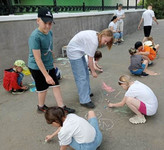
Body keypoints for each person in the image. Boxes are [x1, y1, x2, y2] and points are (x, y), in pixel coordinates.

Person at [28, 7, 75, 113]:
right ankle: (41, 106)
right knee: (43, 89)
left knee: (56, 85)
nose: (48, 26)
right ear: (38, 20)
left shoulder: (49, 33)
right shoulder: (35, 37)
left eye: (50, 23)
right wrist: (46, 75)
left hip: (48, 64)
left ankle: (62, 107)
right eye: (45, 23)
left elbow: (50, 49)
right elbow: (37, 58)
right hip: (36, 66)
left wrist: (52, 63)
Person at [67, 29, 113, 108]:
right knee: (81, 77)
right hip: (73, 52)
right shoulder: (94, 42)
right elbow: (90, 60)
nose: (105, 43)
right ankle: (84, 100)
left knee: (85, 73)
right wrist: (93, 71)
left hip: (79, 51)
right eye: (105, 41)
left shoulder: (97, 36)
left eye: (107, 42)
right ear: (102, 35)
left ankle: (86, 92)